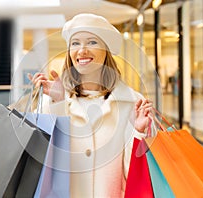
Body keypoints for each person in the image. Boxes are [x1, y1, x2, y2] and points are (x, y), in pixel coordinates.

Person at [28, 13, 153, 198]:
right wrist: (57, 104)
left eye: (92, 42)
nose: (82, 50)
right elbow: (46, 163)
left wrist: (139, 132)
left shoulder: (132, 103)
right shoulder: (55, 100)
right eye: (75, 43)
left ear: (107, 51)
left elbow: (137, 176)